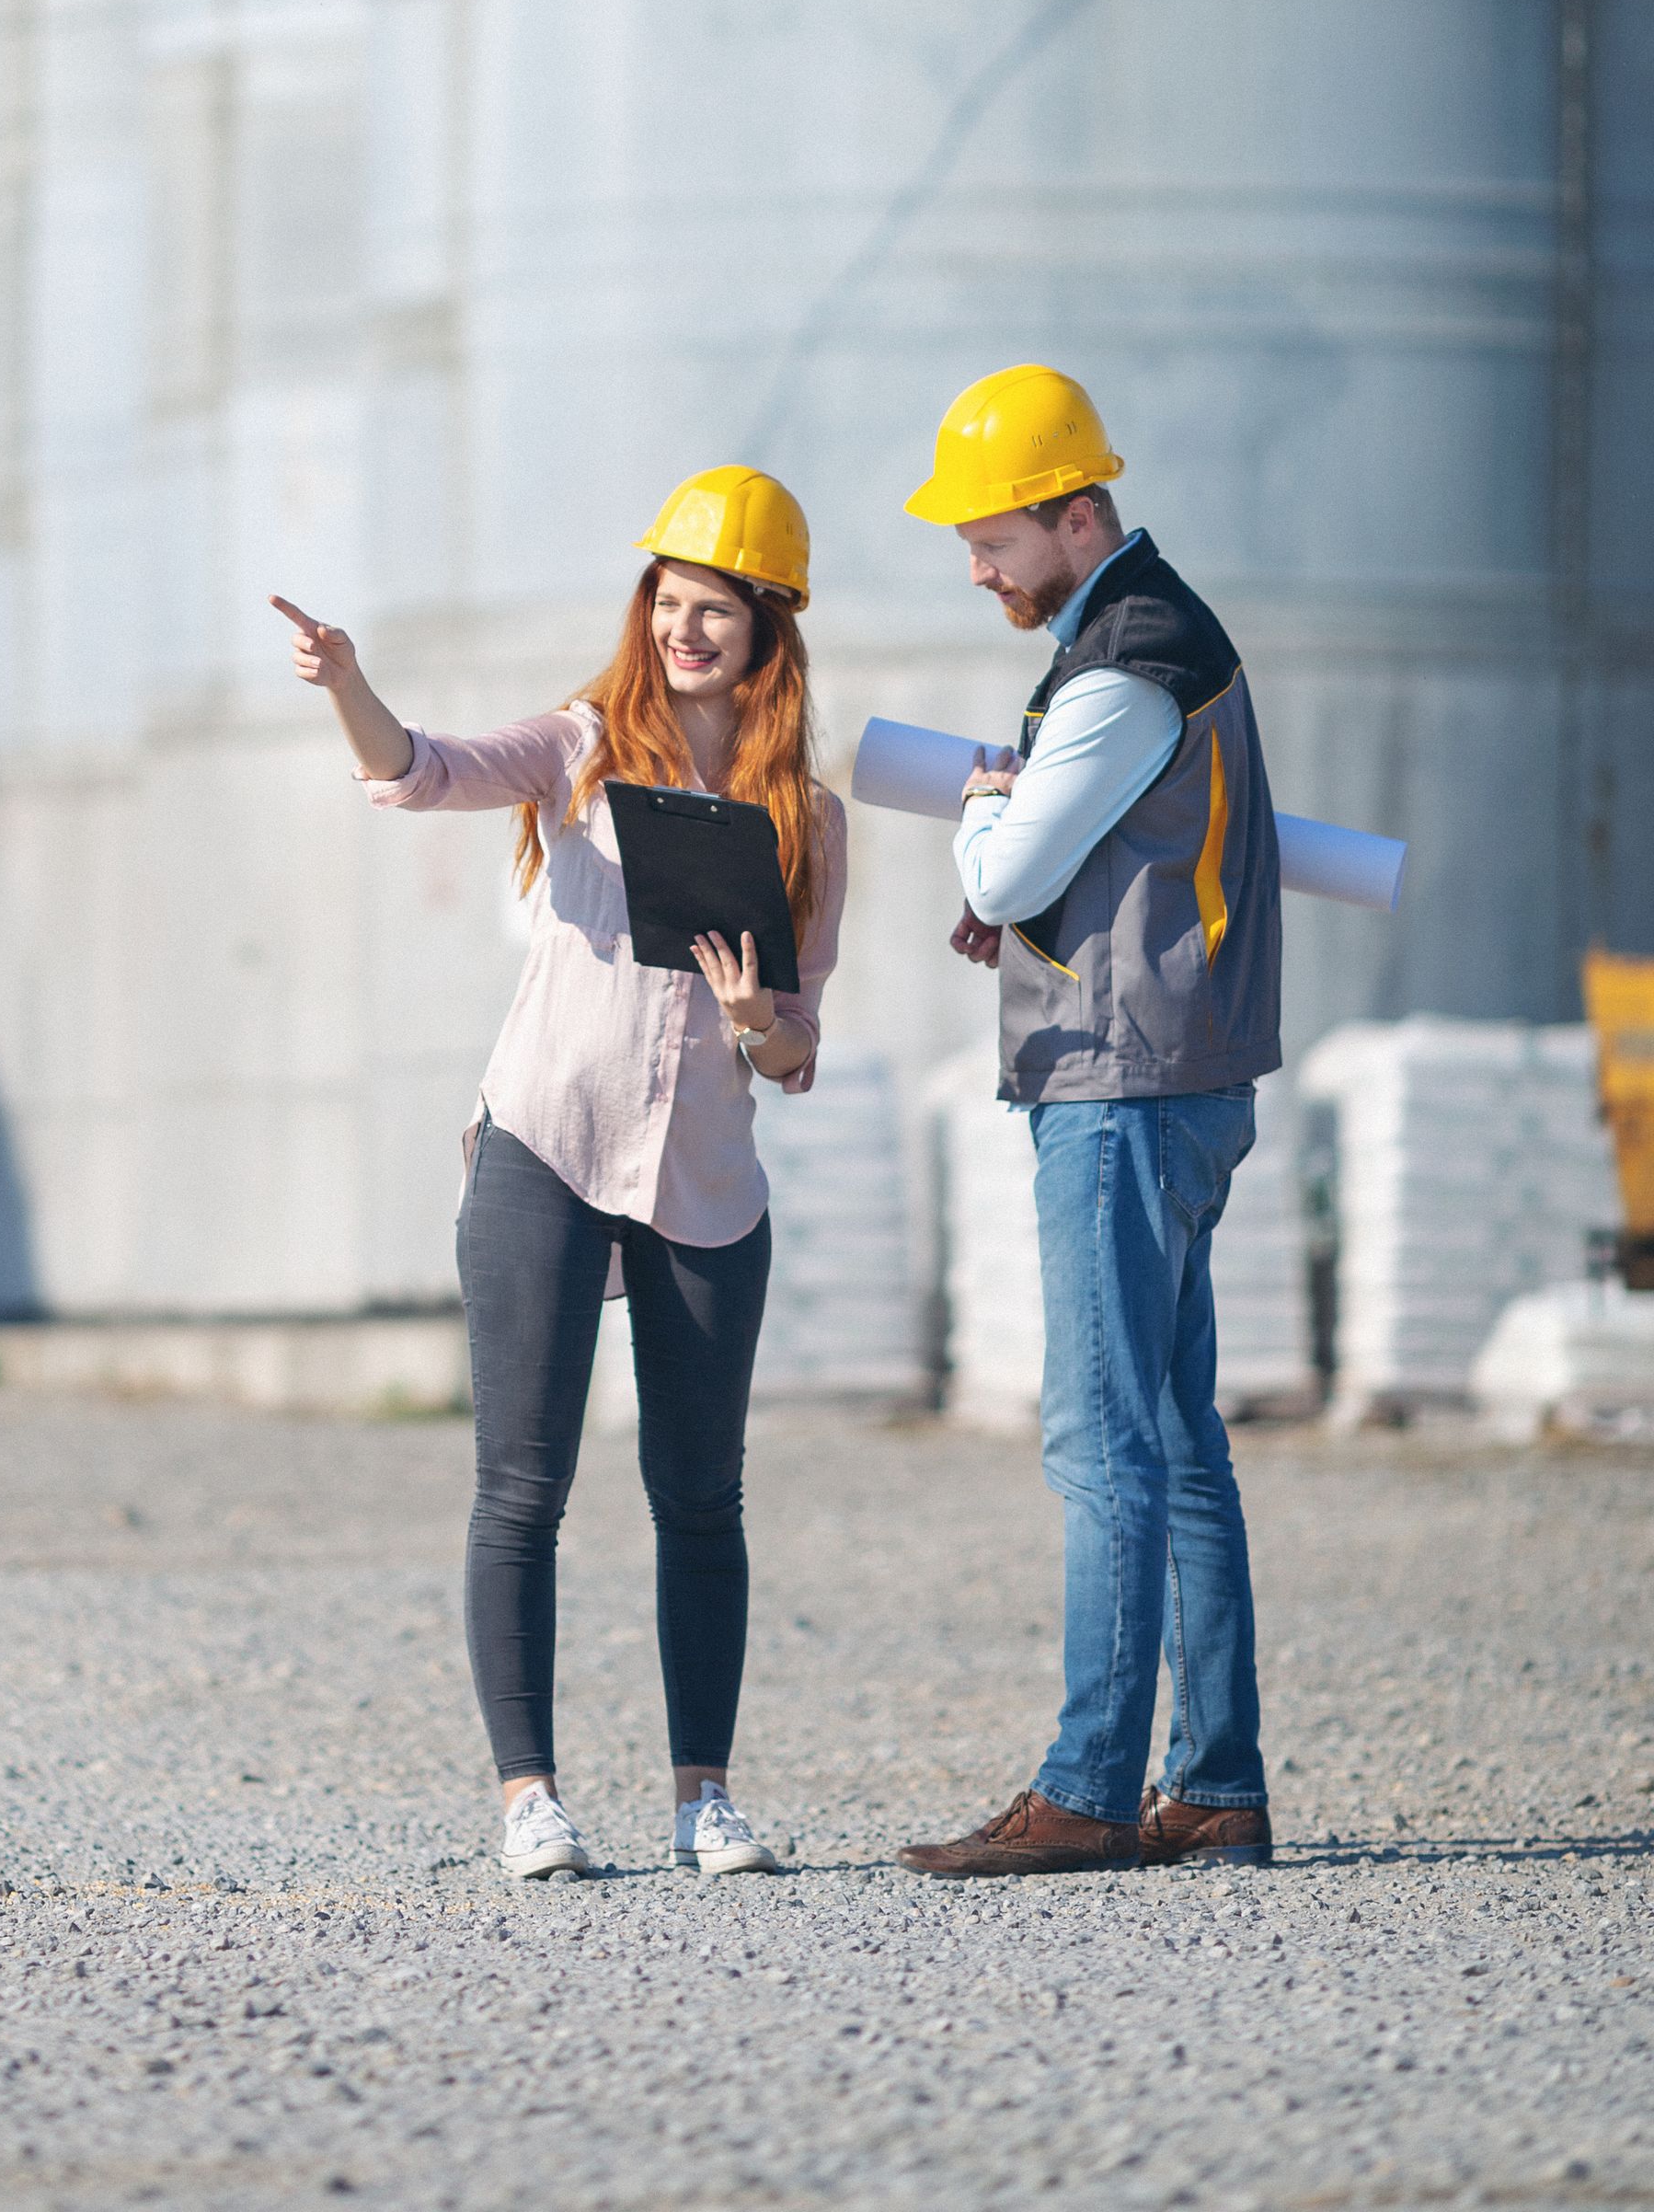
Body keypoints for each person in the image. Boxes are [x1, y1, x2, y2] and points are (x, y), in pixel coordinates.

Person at [272, 466, 846, 1884]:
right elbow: (422, 771)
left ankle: (702, 1797)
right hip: (543, 1140)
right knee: (520, 1487)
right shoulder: (582, 745)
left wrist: (753, 1018)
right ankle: (529, 1794)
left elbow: (800, 1049)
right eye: (670, 598)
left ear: (771, 632)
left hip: (707, 1178)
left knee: (700, 1496)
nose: (685, 630)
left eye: (718, 609)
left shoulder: (808, 824)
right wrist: (349, 681)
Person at [895, 364, 1282, 1879]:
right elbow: (1132, 859)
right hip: (1178, 1073)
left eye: (992, 538)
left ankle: (1091, 1788)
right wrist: (1032, 855)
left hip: (1122, 1090)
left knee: (1104, 1439)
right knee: (1178, 1441)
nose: (977, 566)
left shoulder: (1121, 665)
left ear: (1075, 512)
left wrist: (989, 813)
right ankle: (1217, 1787)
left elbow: (996, 870)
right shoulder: (1159, 638)